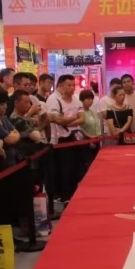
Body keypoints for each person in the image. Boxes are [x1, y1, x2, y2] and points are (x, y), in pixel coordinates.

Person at [46, 75, 85, 203]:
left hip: (76, 138)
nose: (72, 88)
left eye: (73, 85)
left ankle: (74, 194)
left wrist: (67, 120)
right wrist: (73, 118)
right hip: (63, 139)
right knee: (65, 170)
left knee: (76, 168)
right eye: (69, 85)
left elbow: (82, 119)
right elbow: (57, 120)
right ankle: (65, 196)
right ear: (61, 86)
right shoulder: (56, 101)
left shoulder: (77, 101)